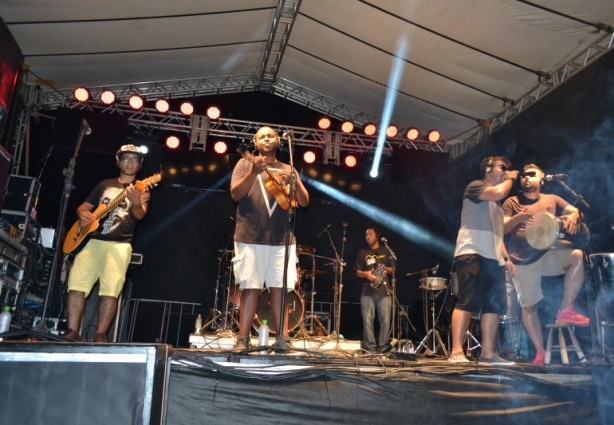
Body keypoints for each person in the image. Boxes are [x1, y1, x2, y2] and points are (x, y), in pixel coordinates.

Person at [230, 126, 309, 350]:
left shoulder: (288, 168)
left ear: (278, 141)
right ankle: (243, 338)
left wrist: (293, 182)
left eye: (271, 135)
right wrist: (253, 172)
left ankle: (282, 339)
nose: (267, 138)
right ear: (255, 143)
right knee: (251, 288)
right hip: (250, 236)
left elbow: (303, 201)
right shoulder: (245, 163)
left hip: (281, 239)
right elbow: (235, 194)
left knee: (280, 289)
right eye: (262, 136)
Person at [503, 164, 588, 367]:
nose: (526, 178)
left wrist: (574, 216)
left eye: (531, 174)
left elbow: (573, 210)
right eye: (522, 175)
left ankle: (566, 310)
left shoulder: (552, 198)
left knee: (577, 256)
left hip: (547, 253)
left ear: (542, 178)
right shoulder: (512, 202)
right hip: (522, 259)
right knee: (529, 306)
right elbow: (503, 228)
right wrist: (518, 218)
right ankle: (540, 352)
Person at [63, 144, 149, 342]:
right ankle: (72, 331)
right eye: (126, 158)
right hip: (91, 241)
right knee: (76, 285)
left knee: (111, 290)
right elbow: (84, 206)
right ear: (118, 162)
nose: (130, 162)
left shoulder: (142, 188)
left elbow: (140, 214)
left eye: (134, 159)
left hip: (120, 244)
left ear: (139, 165)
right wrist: (83, 214)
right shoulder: (105, 184)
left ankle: (101, 334)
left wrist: (136, 201)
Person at [449, 156, 518, 365]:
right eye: (502, 167)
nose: (506, 171)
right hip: (472, 251)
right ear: (488, 169)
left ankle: (488, 353)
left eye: (508, 169)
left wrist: (506, 257)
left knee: (494, 306)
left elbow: (499, 232)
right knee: (468, 300)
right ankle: (456, 352)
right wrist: (512, 178)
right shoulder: (476, 187)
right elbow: (499, 191)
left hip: (493, 258)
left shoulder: (496, 205)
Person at [353, 227, 396, 352]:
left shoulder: (385, 250)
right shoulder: (362, 252)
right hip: (367, 292)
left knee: (385, 321)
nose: (367, 237)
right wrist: (366, 274)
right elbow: (357, 272)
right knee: (367, 321)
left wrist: (384, 268)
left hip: (384, 292)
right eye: (366, 235)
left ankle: (383, 347)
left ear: (377, 236)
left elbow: (393, 269)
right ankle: (370, 348)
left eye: (370, 234)